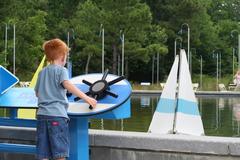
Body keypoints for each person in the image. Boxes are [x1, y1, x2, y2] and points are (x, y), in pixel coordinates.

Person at [34, 38, 97, 160]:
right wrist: (87, 98)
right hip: (57, 115)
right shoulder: (62, 70)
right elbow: (68, 85)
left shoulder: (42, 72)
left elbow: (37, 93)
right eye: (66, 55)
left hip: (42, 115)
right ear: (63, 56)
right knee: (60, 153)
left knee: (43, 153)